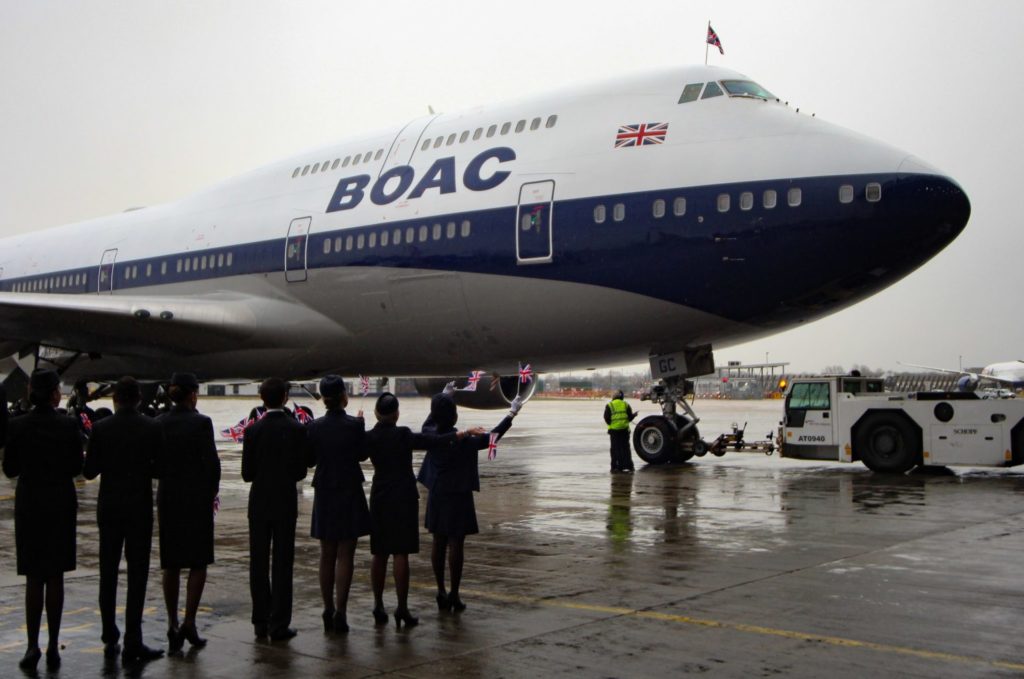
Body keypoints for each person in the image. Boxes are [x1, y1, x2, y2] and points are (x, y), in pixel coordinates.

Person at [365, 392, 475, 628]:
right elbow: (432, 440)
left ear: (376, 413)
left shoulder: (370, 436)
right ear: (397, 414)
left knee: (380, 553)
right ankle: (402, 608)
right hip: (403, 497)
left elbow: (359, 451)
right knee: (400, 554)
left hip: (380, 497)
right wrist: (460, 434)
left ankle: (378, 604)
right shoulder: (404, 434)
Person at [3, 369, 83, 671]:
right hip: (60, 503)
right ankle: (53, 646)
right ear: (54, 395)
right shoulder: (68, 425)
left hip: (30, 504)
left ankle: (32, 645)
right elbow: (77, 466)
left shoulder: (17, 426)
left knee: (34, 577)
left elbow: (10, 470)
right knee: (56, 577)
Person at [84, 376, 166, 664]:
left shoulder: (101, 428)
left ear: (115, 399)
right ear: (139, 399)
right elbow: (159, 469)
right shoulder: (152, 427)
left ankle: (109, 634)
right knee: (137, 574)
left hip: (109, 507)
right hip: (138, 507)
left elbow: (90, 471)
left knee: (108, 572)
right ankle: (134, 638)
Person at [419, 390, 524, 613]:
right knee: (456, 544)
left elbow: (431, 419)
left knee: (438, 542)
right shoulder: (465, 442)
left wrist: (442, 395)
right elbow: (492, 437)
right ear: (455, 417)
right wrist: (511, 414)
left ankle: (440, 590)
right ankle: (455, 593)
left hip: (438, 494)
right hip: (459, 494)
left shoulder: (430, 434)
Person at [156, 373, 221, 652]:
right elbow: (212, 465)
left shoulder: (159, 423)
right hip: (196, 498)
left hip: (169, 497)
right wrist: (210, 494)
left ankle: (171, 622)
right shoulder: (201, 423)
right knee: (198, 561)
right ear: (192, 394)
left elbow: (154, 463)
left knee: (170, 563)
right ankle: (189, 620)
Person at [241, 377, 309, 641]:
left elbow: (247, 474)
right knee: (282, 563)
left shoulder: (253, 431)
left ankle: (260, 619)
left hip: (259, 502)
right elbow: (300, 471)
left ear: (262, 399)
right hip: (284, 501)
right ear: (285, 398)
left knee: (258, 562)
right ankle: (279, 623)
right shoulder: (296, 429)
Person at [306, 375, 368, 634]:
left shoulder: (315, 426)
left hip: (325, 489)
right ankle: (341, 611)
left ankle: (327, 607)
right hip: (349, 488)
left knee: (326, 554)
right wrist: (361, 423)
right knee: (346, 555)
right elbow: (362, 455)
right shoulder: (354, 425)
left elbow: (309, 460)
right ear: (344, 396)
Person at [603, 389, 637, 473]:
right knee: (625, 448)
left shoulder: (610, 405)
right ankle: (629, 466)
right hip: (624, 430)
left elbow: (606, 418)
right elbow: (629, 418)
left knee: (615, 449)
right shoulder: (625, 404)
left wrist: (612, 424)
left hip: (614, 431)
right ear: (621, 396)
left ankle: (615, 467)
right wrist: (634, 415)